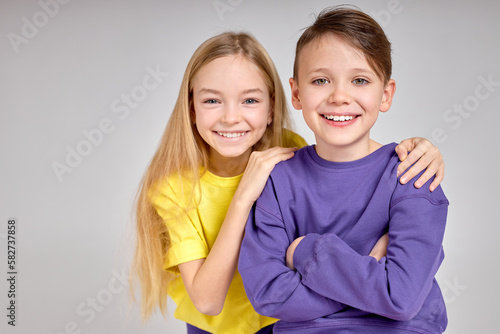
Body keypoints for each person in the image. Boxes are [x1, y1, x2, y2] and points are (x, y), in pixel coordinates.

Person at [130, 31, 445, 334]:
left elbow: (348, 149)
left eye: (249, 101)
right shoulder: (175, 188)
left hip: (284, 323)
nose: (230, 117)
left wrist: (422, 147)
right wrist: (242, 199)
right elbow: (210, 301)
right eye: (212, 101)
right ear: (191, 109)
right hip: (220, 328)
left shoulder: (286, 154)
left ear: (271, 108)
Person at [239, 6, 449, 334]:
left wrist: (308, 251)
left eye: (360, 80)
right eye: (321, 80)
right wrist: (372, 276)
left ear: (385, 94)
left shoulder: (413, 173)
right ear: (296, 93)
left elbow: (401, 299)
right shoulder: (278, 180)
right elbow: (269, 295)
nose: (339, 96)